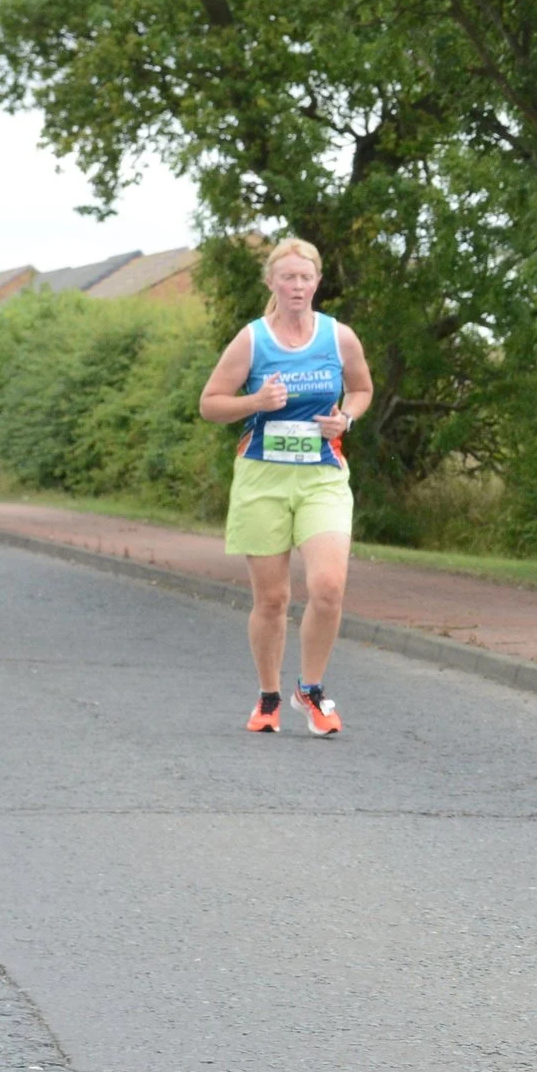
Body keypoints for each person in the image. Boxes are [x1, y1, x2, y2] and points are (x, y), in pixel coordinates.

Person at [197, 238, 373, 736]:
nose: (297, 286)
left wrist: (347, 418)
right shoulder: (252, 340)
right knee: (272, 599)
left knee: (328, 588)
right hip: (262, 477)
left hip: (321, 475)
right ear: (271, 282)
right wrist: (255, 401)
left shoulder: (339, 337)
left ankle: (311, 692)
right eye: (288, 277)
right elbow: (210, 404)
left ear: (317, 281)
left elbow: (361, 388)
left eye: (305, 277)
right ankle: (268, 696)